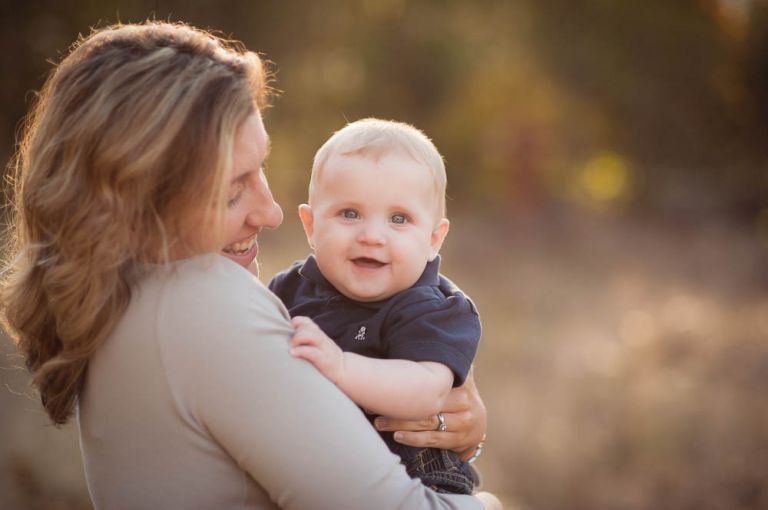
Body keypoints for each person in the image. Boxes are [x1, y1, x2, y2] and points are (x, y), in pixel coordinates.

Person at [0, 21, 501, 509]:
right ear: (139, 203)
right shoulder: (203, 299)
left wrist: (449, 431)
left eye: (261, 167)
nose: (271, 212)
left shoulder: (120, 300)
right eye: (233, 189)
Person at [270, 118, 481, 494]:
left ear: (434, 239)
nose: (371, 236)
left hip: (417, 479)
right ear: (311, 225)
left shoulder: (431, 308)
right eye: (349, 214)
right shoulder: (290, 288)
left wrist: (341, 367)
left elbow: (426, 392)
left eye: (399, 219)